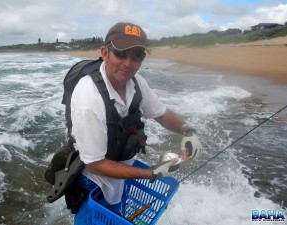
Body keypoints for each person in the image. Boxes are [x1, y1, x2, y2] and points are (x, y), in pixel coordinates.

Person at [70, 22, 203, 207]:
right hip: (93, 183)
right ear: (105, 53)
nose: (128, 63)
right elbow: (95, 165)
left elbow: (161, 113)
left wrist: (188, 130)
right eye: (121, 53)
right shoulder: (89, 100)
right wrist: (152, 172)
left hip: (121, 169)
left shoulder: (136, 83)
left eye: (137, 55)